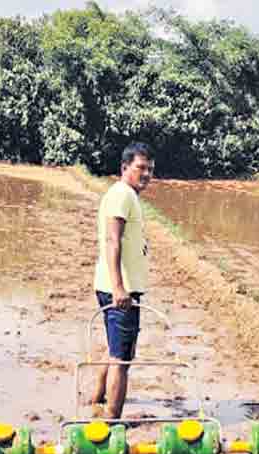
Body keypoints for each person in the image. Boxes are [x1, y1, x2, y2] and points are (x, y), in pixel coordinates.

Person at [91, 142, 154, 418]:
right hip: (120, 291)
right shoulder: (123, 196)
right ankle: (112, 422)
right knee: (122, 359)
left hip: (114, 287)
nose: (147, 174)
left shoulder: (125, 195)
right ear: (125, 167)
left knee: (113, 347)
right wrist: (119, 287)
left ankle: (96, 398)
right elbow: (112, 240)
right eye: (141, 168)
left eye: (150, 169)